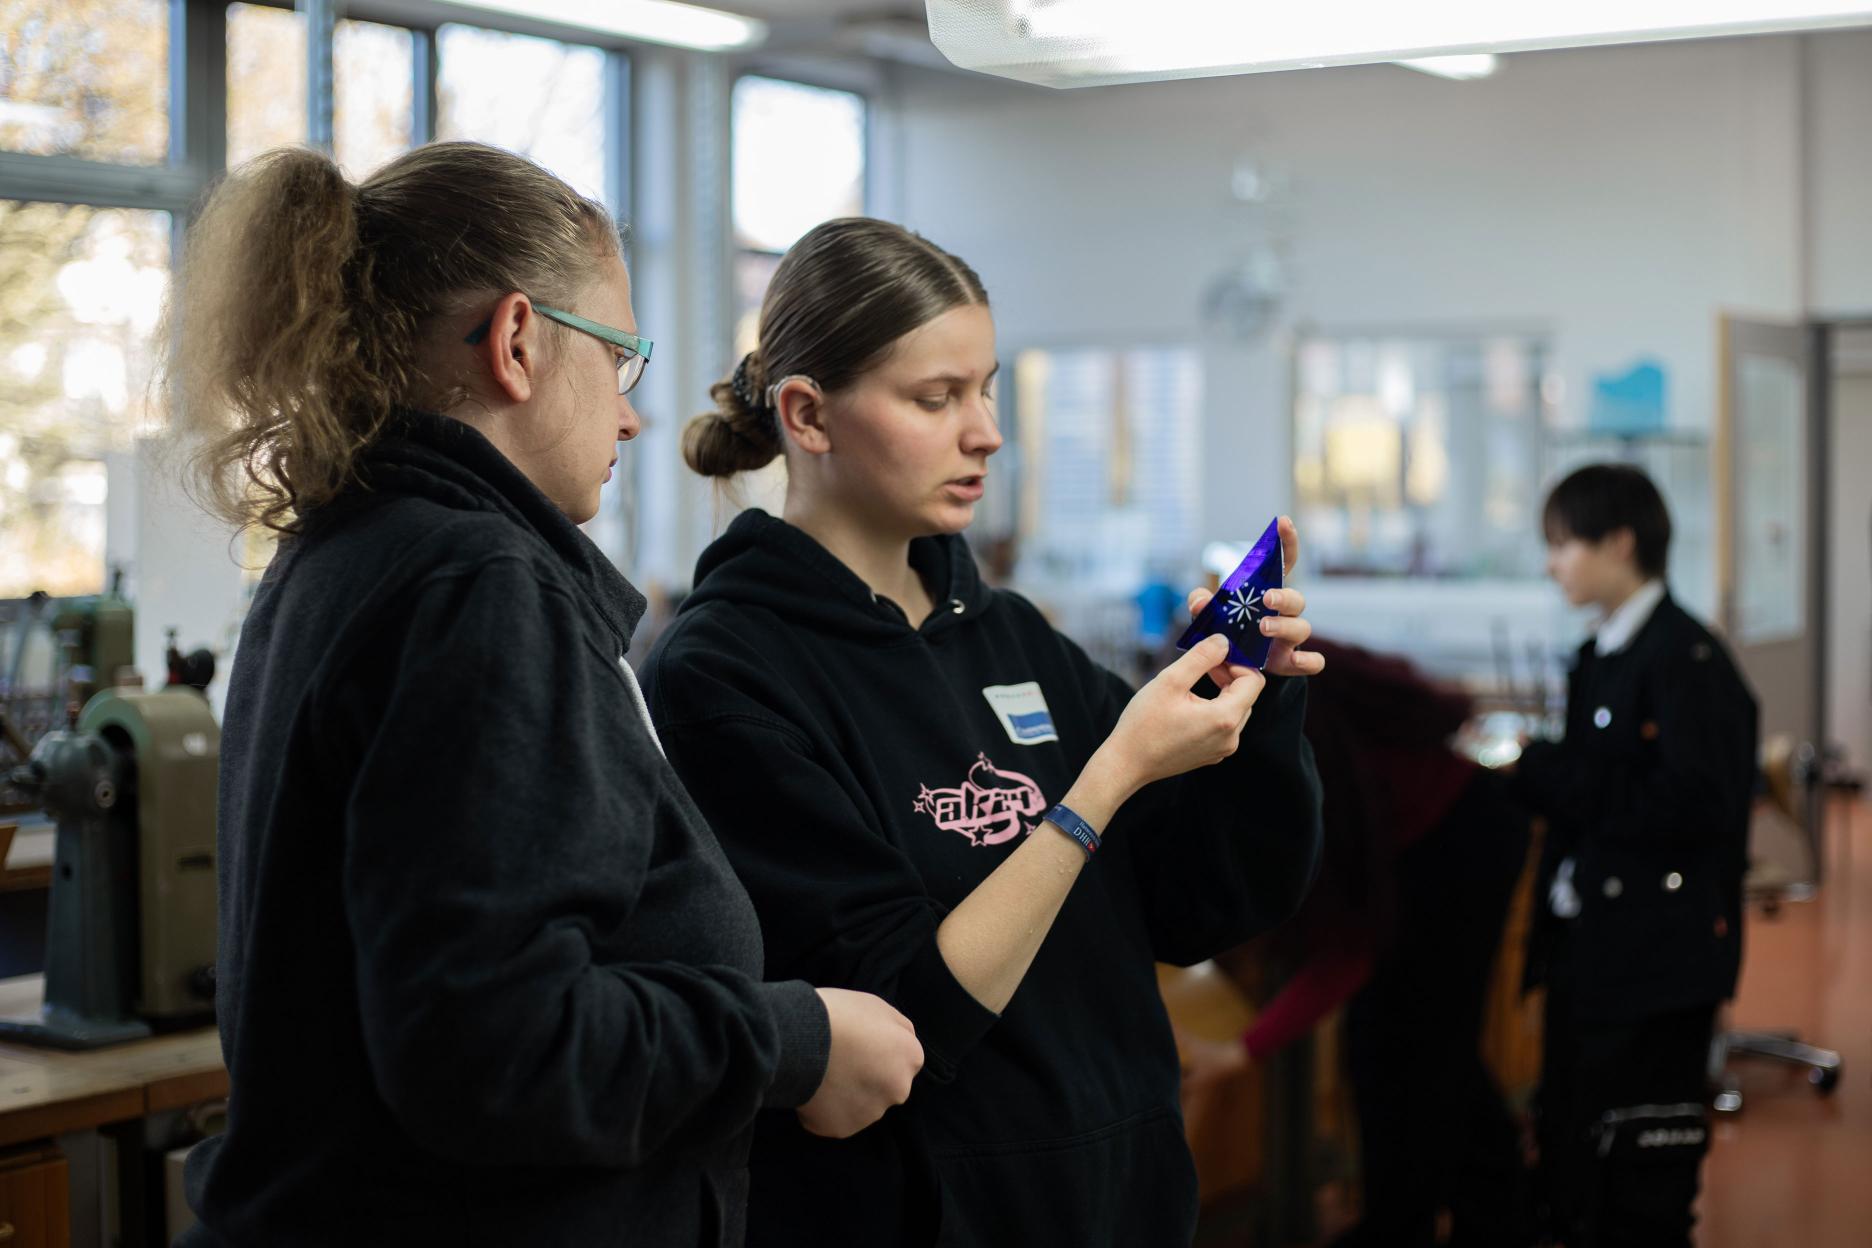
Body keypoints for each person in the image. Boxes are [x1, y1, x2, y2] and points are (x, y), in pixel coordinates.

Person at [166, 144, 922, 1247]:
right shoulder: (476, 585)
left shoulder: (353, 548)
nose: (630, 418)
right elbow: (497, 1046)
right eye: (620, 359)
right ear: (518, 342)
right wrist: (794, 1041)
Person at [639, 217, 1325, 1245]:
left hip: (1119, 1197)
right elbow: (899, 1021)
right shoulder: (725, 674)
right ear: (808, 415)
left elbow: (1200, 904)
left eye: (987, 390)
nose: (987, 434)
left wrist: (1252, 712)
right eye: (937, 398)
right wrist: (1104, 783)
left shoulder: (1011, 635)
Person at [1182, 637, 1533, 1248]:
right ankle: (1439, 1217)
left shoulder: (1304, 741)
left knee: (1427, 1045)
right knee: (1394, 1043)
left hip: (1461, 836)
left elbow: (1350, 948)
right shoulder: (1274, 683)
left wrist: (1241, 1052)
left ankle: (1454, 1222)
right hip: (1439, 823)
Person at [1511, 464, 1757, 1247]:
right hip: (1591, 946)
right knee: (1573, 1150)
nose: (1552, 564)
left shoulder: (1687, 661)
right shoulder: (1602, 652)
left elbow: (1697, 804)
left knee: (1641, 1178)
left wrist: (1548, 774)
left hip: (1657, 960)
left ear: (1620, 543)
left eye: (1564, 544)